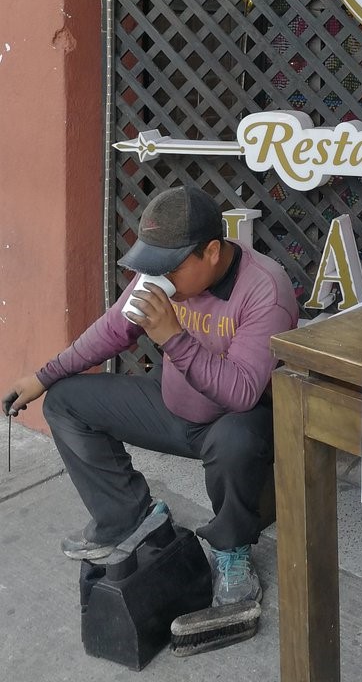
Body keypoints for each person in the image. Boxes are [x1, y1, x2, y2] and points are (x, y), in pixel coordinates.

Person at [2, 184, 299, 606]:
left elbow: (243, 392)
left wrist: (173, 337)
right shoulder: (163, 275)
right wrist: (44, 375)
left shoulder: (264, 288)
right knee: (65, 401)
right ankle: (128, 518)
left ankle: (232, 550)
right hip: (172, 405)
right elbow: (112, 330)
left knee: (238, 439)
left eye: (170, 266)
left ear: (211, 252)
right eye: (153, 266)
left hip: (233, 421)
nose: (158, 278)